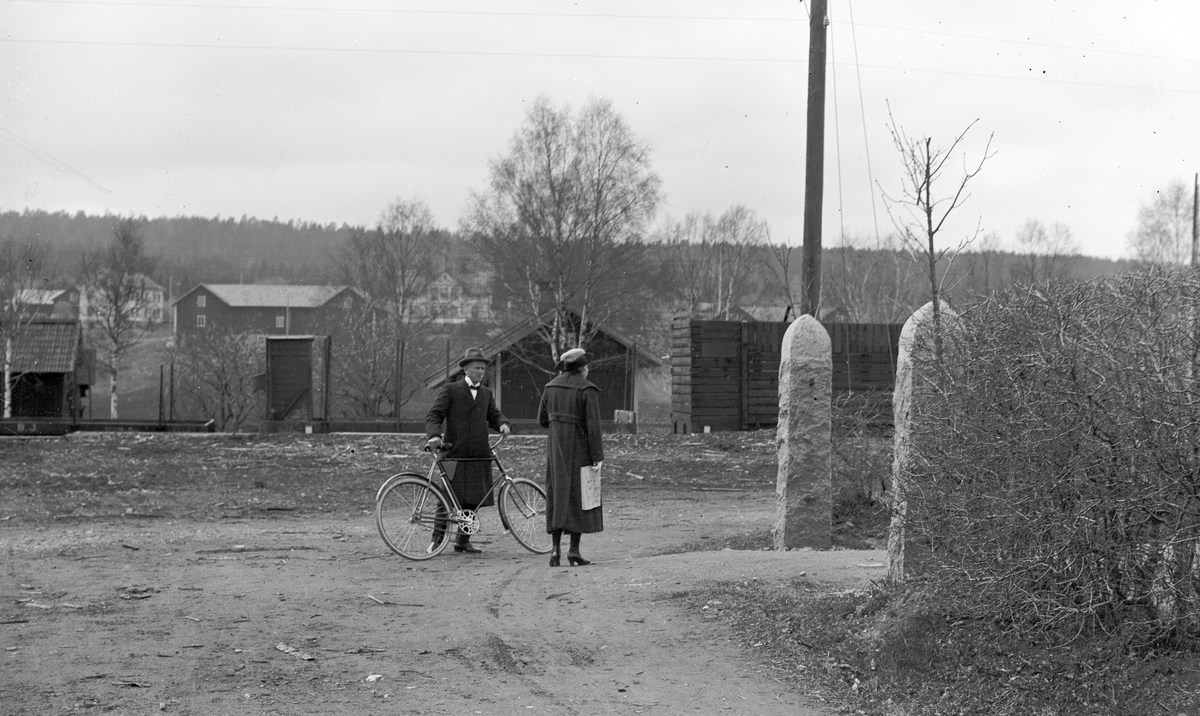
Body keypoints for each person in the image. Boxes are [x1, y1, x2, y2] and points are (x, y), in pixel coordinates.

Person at [425, 347, 511, 554]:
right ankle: (436, 541)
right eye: (476, 368)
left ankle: (463, 541)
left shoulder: (486, 393)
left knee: (474, 498)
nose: (480, 372)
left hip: (478, 454)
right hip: (453, 454)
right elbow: (434, 414)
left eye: (482, 368)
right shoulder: (450, 390)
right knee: (446, 498)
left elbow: (494, 415)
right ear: (465, 369)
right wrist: (434, 435)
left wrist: (503, 423)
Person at [537, 347, 604, 567]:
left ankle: (555, 550)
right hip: (580, 450)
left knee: (556, 495)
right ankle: (574, 550)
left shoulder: (550, 387)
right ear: (581, 369)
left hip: (555, 451)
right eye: (587, 367)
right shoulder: (587, 389)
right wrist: (597, 455)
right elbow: (593, 426)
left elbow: (542, 421)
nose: (588, 370)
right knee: (579, 496)